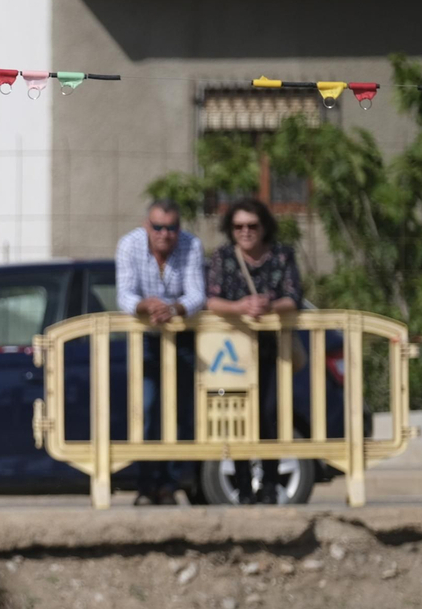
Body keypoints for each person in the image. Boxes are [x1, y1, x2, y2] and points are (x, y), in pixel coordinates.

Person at [205, 198, 303, 504]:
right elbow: (210, 299)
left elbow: (294, 297)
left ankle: (271, 484)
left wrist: (269, 305)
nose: (245, 232)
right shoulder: (223, 257)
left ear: (264, 227)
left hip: (274, 349)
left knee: (270, 414)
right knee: (237, 418)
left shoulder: (282, 255)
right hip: (233, 353)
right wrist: (239, 307)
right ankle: (244, 487)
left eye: (252, 226)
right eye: (238, 226)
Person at [115, 199, 206, 506]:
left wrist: (174, 308)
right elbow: (125, 294)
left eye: (172, 227)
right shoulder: (129, 244)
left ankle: (169, 485)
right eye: (158, 227)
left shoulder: (192, 245)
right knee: (147, 410)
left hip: (182, 338)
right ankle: (146, 486)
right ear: (147, 226)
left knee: (181, 413)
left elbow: (197, 294)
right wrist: (146, 305)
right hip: (146, 338)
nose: (165, 234)